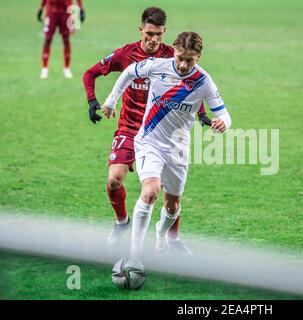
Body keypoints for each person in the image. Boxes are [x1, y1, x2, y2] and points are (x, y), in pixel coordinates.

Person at [83, 8, 211, 253]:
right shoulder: (125, 54)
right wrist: (92, 101)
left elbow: (192, 85)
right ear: (140, 30)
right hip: (130, 128)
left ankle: (172, 239)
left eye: (159, 35)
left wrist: (203, 114)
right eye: (150, 33)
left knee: (167, 192)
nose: (154, 40)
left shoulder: (172, 57)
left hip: (159, 133)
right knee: (113, 181)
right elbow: (90, 73)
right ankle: (122, 222)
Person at [102, 31, 231, 258]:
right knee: (150, 191)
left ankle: (161, 236)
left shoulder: (204, 82)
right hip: (149, 142)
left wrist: (223, 123)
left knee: (172, 206)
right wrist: (111, 101)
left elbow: (223, 112)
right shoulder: (157, 66)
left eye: (188, 60)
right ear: (174, 51)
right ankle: (135, 256)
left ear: (198, 57)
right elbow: (128, 73)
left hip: (177, 150)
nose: (182, 64)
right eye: (179, 57)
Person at [37, 0, 85, 79]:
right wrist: (41, 7)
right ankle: (44, 68)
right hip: (51, 11)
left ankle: (67, 68)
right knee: (47, 39)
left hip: (65, 11)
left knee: (66, 39)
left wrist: (81, 7)